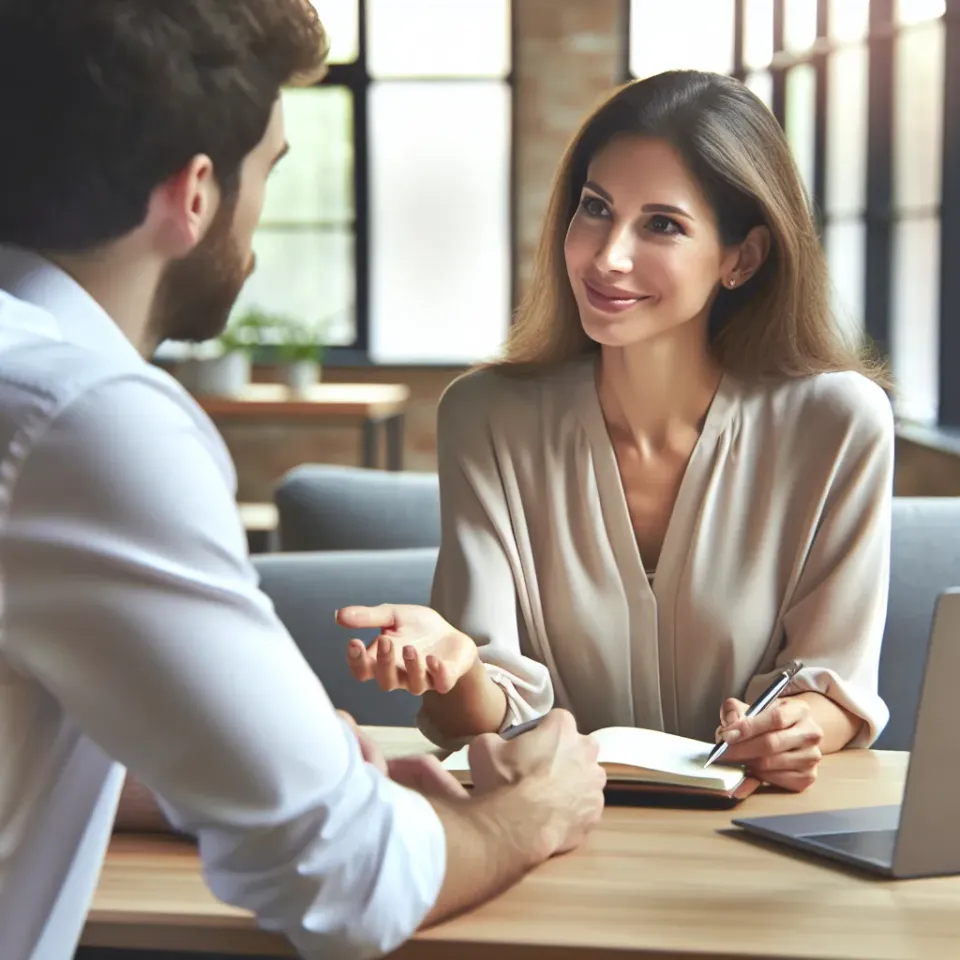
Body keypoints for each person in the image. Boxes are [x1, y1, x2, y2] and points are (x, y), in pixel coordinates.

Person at [0, 3, 606, 959]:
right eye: (270, 170)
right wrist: (533, 811)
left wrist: (237, 773)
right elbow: (346, 881)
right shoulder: (82, 420)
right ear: (196, 192)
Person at [341, 70, 895, 795]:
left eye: (662, 224)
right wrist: (455, 669)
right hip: (546, 833)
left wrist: (796, 729)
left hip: (758, 832)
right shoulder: (483, 417)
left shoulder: (838, 424)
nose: (607, 257)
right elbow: (483, 718)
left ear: (743, 257)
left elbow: (834, 683)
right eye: (596, 208)